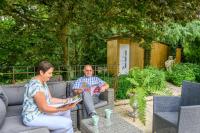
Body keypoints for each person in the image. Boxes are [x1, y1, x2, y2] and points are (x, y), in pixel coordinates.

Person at [22, 61, 78, 133]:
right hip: (33, 117)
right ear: (41, 72)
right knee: (68, 122)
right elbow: (44, 108)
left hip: (40, 112)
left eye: (51, 73)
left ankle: (64, 129)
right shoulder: (36, 86)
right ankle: (66, 127)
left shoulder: (43, 81)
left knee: (66, 112)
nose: (51, 75)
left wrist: (66, 100)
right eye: (49, 73)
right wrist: (63, 108)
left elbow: (50, 99)